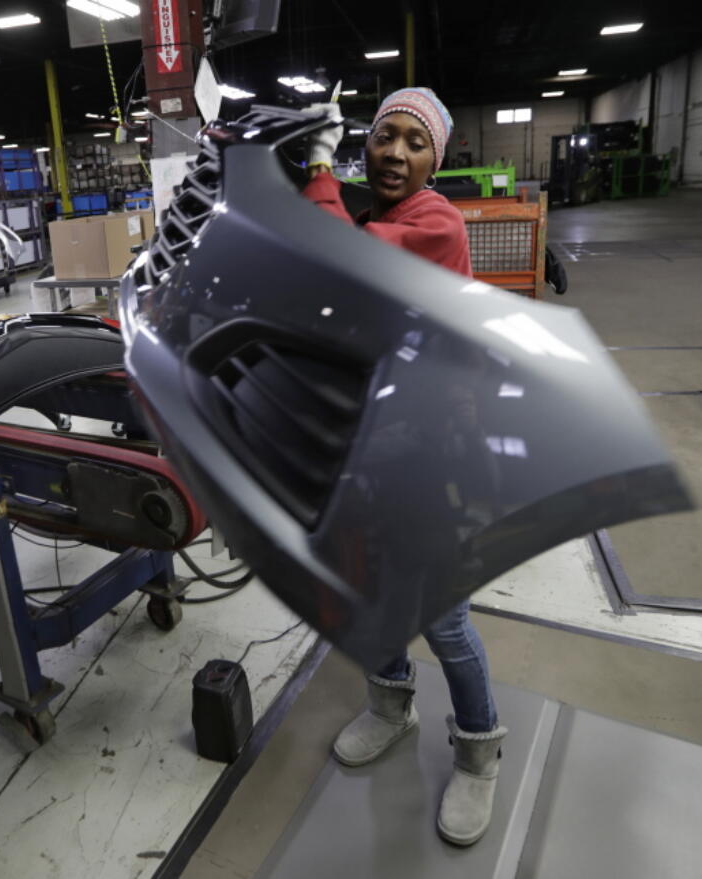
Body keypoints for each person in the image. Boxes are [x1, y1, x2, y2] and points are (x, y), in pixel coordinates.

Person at [301, 87, 507, 848]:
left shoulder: (435, 223)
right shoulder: (375, 214)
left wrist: (317, 166)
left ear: (435, 160)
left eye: (414, 143)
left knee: (445, 618)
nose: (394, 152)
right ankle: (391, 706)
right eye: (384, 136)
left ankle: (480, 751)